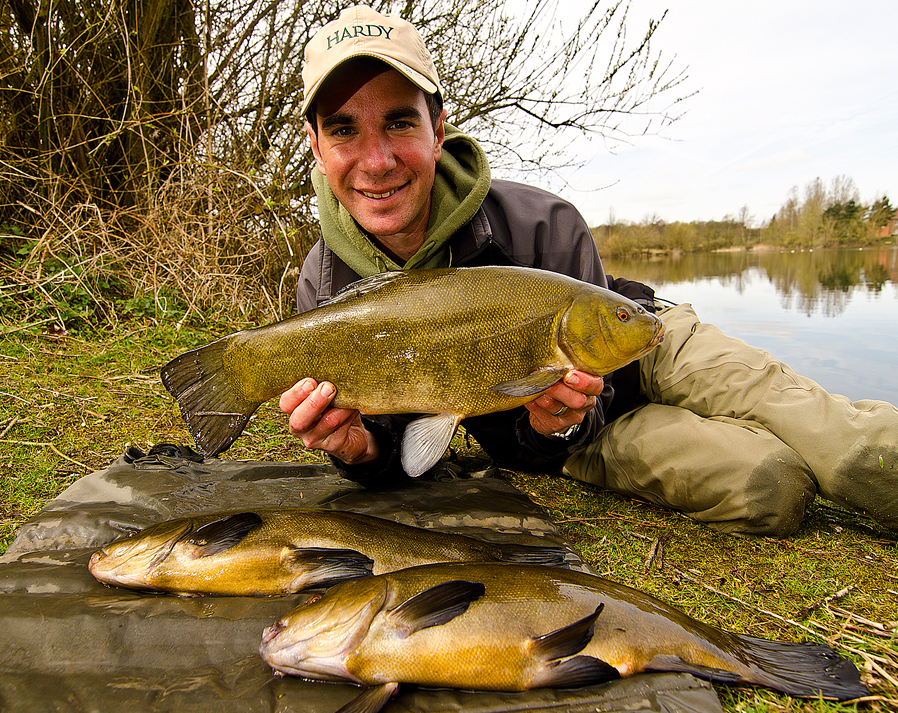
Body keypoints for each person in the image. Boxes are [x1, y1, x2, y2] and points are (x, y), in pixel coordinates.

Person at [279, 5, 898, 538]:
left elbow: (616, 322)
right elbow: (397, 449)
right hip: (578, 430)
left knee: (826, 428)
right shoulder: (325, 286)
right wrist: (359, 451)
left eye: (399, 121)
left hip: (648, 336)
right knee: (771, 483)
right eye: (343, 130)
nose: (376, 159)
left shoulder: (541, 220)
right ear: (315, 144)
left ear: (439, 130)